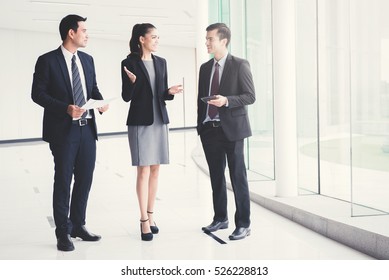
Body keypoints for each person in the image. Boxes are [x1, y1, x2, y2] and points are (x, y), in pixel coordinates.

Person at [31, 14, 109, 251]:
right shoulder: (47, 61)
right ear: (71, 33)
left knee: (84, 180)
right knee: (64, 181)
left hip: (87, 130)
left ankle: (78, 225)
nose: (87, 35)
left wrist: (101, 103)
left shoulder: (87, 60)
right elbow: (38, 94)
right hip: (63, 131)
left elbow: (92, 89)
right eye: (84, 30)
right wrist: (65, 108)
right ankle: (62, 232)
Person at [121, 23, 183, 241]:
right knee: (143, 171)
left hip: (159, 120)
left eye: (158, 37)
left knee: (156, 169)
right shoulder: (129, 63)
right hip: (140, 121)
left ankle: (151, 214)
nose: (157, 40)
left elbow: (160, 94)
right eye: (153, 37)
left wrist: (169, 92)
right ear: (141, 39)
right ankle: (143, 221)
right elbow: (126, 97)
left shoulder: (161, 62)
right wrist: (132, 83)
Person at [197, 23, 256, 240]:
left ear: (224, 41)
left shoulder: (240, 65)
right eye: (206, 39)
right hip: (209, 130)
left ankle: (244, 223)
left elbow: (250, 96)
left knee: (237, 177)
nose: (207, 42)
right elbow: (199, 100)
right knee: (216, 178)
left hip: (233, 130)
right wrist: (200, 127)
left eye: (210, 39)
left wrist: (227, 101)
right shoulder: (205, 68)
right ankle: (220, 218)